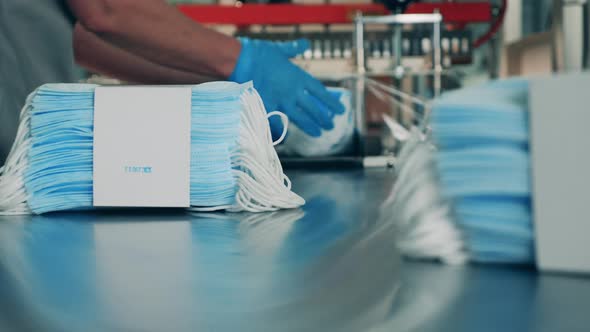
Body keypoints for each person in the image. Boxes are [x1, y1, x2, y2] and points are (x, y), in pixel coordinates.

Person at [0, 0, 342, 164]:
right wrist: (239, 58)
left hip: (19, 156)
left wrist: (222, 81)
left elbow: (85, 42)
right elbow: (105, 10)